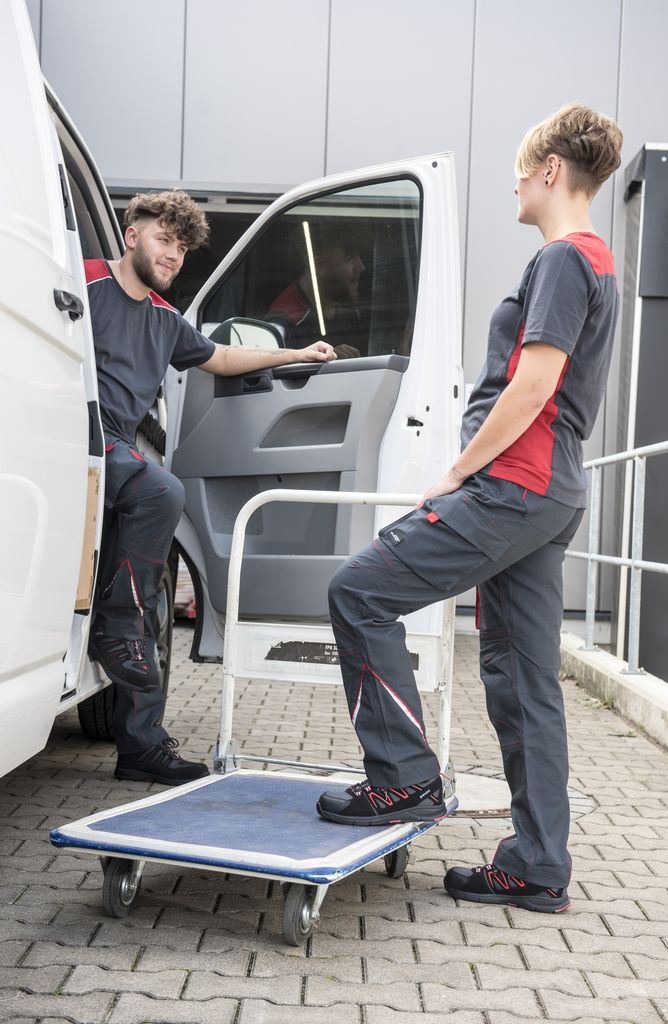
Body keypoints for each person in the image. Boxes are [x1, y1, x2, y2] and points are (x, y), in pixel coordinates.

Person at [316, 104, 623, 914]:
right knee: (524, 682)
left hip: (514, 486)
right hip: (550, 492)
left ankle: (402, 779)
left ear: (551, 170)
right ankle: (538, 865)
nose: (514, 186)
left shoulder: (564, 258)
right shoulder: (597, 261)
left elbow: (534, 383)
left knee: (358, 591)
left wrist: (455, 474)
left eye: (522, 172)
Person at [85, 191, 335, 786]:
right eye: (163, 239)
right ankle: (116, 625)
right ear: (132, 235)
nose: (172, 254)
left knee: (147, 599)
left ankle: (140, 743)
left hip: (118, 447)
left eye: (181, 247)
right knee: (162, 492)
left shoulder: (164, 320)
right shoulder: (83, 285)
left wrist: (295, 352)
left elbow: (220, 357)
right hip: (79, 433)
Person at [265, 223, 366, 358]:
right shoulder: (286, 323)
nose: (361, 267)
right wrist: (328, 361)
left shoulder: (349, 311)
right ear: (318, 265)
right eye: (350, 258)